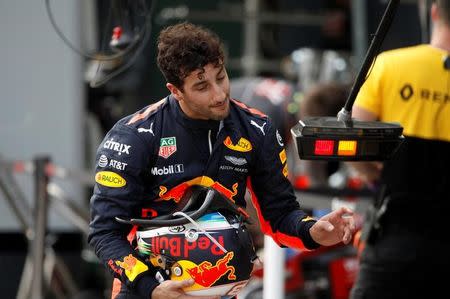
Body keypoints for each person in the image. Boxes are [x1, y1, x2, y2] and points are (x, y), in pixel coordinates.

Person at [88, 21, 356, 299]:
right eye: (202, 85)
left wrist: (314, 231)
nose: (219, 94)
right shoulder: (133, 136)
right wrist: (151, 288)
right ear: (175, 90)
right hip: (146, 291)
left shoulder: (257, 129)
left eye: (221, 76)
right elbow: (105, 234)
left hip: (222, 290)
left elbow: (279, 215)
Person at [348, 1, 450, 298]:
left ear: (434, 13)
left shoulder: (388, 65)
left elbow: (354, 143)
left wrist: (372, 173)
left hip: (395, 237)